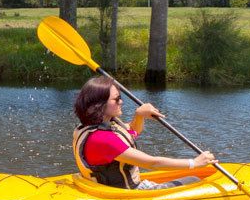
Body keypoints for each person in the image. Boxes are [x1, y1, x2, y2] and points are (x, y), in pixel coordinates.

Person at [72, 75, 217, 190]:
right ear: (99, 104)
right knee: (194, 179)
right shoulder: (103, 140)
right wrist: (195, 163)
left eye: (120, 97)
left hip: (106, 189)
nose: (121, 102)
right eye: (116, 99)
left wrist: (139, 115)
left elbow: (132, 132)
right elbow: (153, 163)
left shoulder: (90, 127)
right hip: (126, 194)